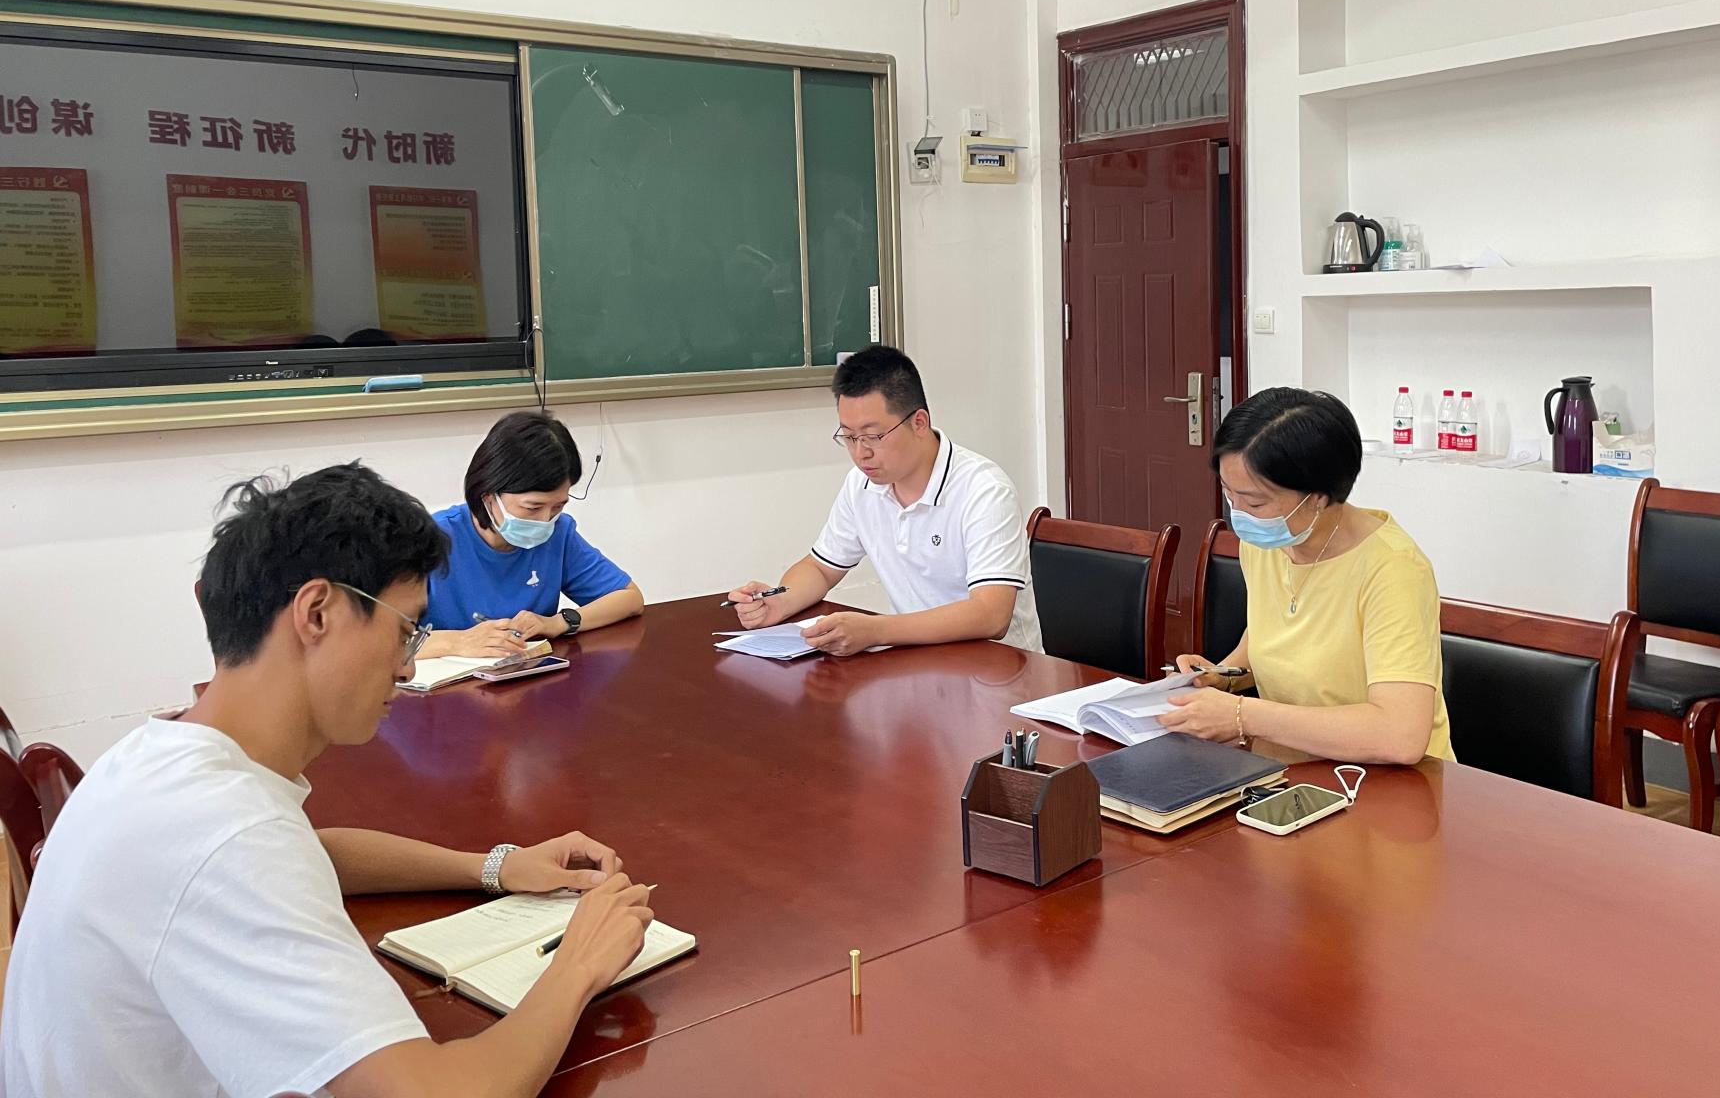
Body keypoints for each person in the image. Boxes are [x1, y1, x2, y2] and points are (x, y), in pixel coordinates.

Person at [0, 463, 656, 1097]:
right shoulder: (225, 836)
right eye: (406, 630)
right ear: (316, 613)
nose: (407, 667)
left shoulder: (163, 756)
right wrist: (577, 964)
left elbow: (305, 853)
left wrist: (495, 867)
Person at [1160, 387, 1454, 765]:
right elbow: (1274, 635)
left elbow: (1399, 735)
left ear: (1318, 498)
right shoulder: (1268, 542)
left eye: (1254, 502)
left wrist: (1241, 715)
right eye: (1229, 495)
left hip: (1387, 781)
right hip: (1290, 767)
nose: (1240, 515)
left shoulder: (1394, 570)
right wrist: (1224, 675)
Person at [727, 344, 1043, 655]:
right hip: (916, 661)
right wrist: (779, 602)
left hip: (1000, 671)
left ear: (919, 423)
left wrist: (876, 630)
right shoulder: (862, 485)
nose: (860, 453)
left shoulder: (984, 490)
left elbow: (991, 615)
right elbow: (821, 568)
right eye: (849, 437)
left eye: (873, 436)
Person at [420, 411, 644, 660]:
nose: (545, 520)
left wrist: (557, 623)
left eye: (557, 506)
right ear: (488, 495)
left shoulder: (559, 534)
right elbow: (384, 640)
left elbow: (629, 598)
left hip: (527, 675)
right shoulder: (428, 541)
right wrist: (457, 642)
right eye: (533, 507)